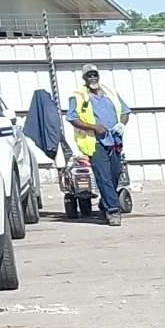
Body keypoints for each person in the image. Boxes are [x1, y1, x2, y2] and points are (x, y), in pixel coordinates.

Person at [68, 66, 131, 224]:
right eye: (89, 76)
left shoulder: (110, 93)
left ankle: (105, 202)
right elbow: (73, 118)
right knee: (103, 177)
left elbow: (124, 112)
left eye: (94, 75)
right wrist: (94, 127)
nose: (92, 78)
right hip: (94, 142)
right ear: (84, 78)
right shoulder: (79, 96)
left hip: (114, 140)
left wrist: (121, 125)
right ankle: (113, 211)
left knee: (115, 173)